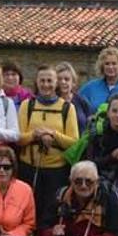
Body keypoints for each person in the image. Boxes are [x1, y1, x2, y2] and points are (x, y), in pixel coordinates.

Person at [17, 64, 80, 223]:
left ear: (56, 82)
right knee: (28, 209)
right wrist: (35, 135)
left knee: (51, 212)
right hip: (29, 168)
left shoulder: (67, 108)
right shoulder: (27, 106)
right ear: (36, 82)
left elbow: (74, 142)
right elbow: (18, 138)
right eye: (42, 80)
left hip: (56, 171)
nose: (46, 84)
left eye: (49, 80)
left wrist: (53, 134)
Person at [75, 94, 118, 197]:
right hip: (101, 179)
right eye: (114, 111)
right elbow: (89, 163)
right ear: (108, 113)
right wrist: (112, 156)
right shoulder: (97, 134)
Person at [78, 46, 118, 112]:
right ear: (102, 66)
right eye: (107, 64)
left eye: (114, 64)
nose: (110, 67)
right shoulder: (89, 88)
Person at [54, 62, 93, 130]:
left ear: (73, 82)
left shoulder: (82, 101)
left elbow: (90, 123)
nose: (63, 82)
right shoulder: (51, 101)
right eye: (59, 79)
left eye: (67, 79)